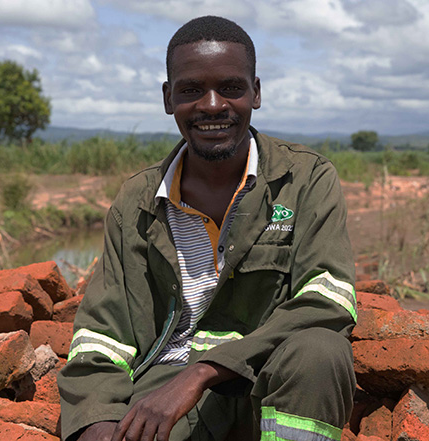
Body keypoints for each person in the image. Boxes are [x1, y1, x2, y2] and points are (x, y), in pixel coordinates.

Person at [58, 15, 357, 441]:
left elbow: (326, 301)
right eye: (191, 90)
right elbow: (102, 335)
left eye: (231, 88)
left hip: (265, 375)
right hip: (166, 390)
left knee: (320, 353)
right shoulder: (137, 201)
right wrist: (97, 422)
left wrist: (205, 371)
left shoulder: (305, 179)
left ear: (256, 93)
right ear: (168, 98)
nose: (212, 105)